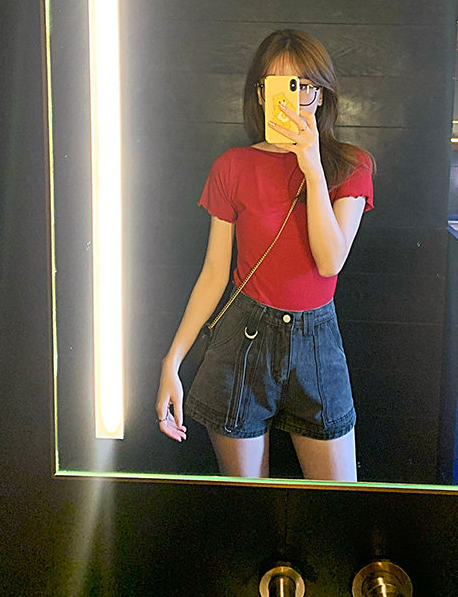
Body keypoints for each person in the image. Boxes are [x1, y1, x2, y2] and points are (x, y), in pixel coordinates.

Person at [156, 28, 374, 481]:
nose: (293, 100)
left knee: (338, 501)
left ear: (321, 95)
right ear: (260, 95)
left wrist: (313, 168)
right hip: (244, 336)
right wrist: (171, 361)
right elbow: (214, 272)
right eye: (278, 86)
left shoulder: (351, 165)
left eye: (303, 87)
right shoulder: (233, 166)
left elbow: (330, 261)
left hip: (318, 341)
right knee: (249, 504)